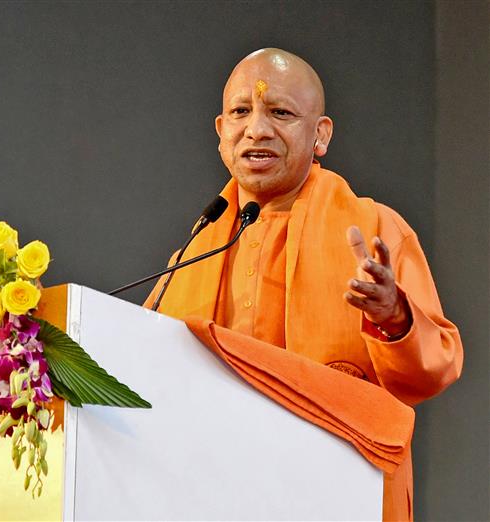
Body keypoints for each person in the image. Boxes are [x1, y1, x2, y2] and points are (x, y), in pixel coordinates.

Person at [145, 48, 463, 521]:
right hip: (215, 488)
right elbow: (140, 363)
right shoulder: (195, 251)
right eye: (240, 112)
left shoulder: (375, 228)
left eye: (281, 113)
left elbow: (437, 364)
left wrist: (394, 314)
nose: (256, 129)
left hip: (338, 486)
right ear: (220, 134)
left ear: (321, 134)